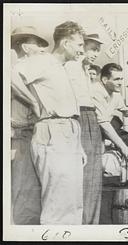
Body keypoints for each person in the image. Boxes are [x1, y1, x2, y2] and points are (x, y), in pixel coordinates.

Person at [11, 21, 86, 225]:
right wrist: (32, 100)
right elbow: (11, 75)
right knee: (59, 204)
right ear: (65, 42)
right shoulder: (44, 61)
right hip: (53, 131)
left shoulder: (60, 67)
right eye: (79, 45)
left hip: (69, 133)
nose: (82, 50)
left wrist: (78, 146)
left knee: (72, 202)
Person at [10, 26, 49, 224]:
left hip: (34, 135)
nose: (42, 49)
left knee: (35, 190)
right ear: (25, 47)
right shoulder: (14, 71)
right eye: (38, 45)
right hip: (20, 136)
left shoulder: (34, 73)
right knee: (23, 191)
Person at [64, 33, 104, 224]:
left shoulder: (85, 70)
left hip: (90, 117)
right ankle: (84, 225)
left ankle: (90, 224)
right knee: (85, 175)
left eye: (98, 50)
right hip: (80, 116)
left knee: (94, 177)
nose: (95, 53)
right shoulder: (72, 66)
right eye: (91, 48)